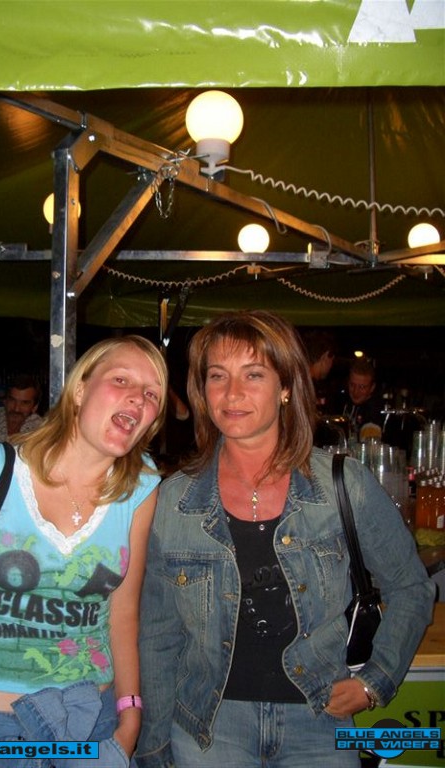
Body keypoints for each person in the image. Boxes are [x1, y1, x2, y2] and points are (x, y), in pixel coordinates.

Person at [135, 310, 434, 768]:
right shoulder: (174, 500)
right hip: (208, 729)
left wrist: (376, 680)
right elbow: (158, 635)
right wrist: (153, 745)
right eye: (218, 375)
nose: (232, 392)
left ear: (286, 386)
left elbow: (411, 587)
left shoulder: (343, 484)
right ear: (202, 390)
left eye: (253, 374)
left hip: (319, 721)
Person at [0, 335, 168, 767]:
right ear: (80, 390)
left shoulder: (141, 486)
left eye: (152, 393)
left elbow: (123, 612)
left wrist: (129, 717)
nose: (138, 397)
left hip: (88, 726)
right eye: (121, 380)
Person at [340, 359, 385, 439]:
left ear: (372, 388)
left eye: (362, 387)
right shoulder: (342, 402)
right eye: (352, 385)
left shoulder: (374, 412)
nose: (356, 391)